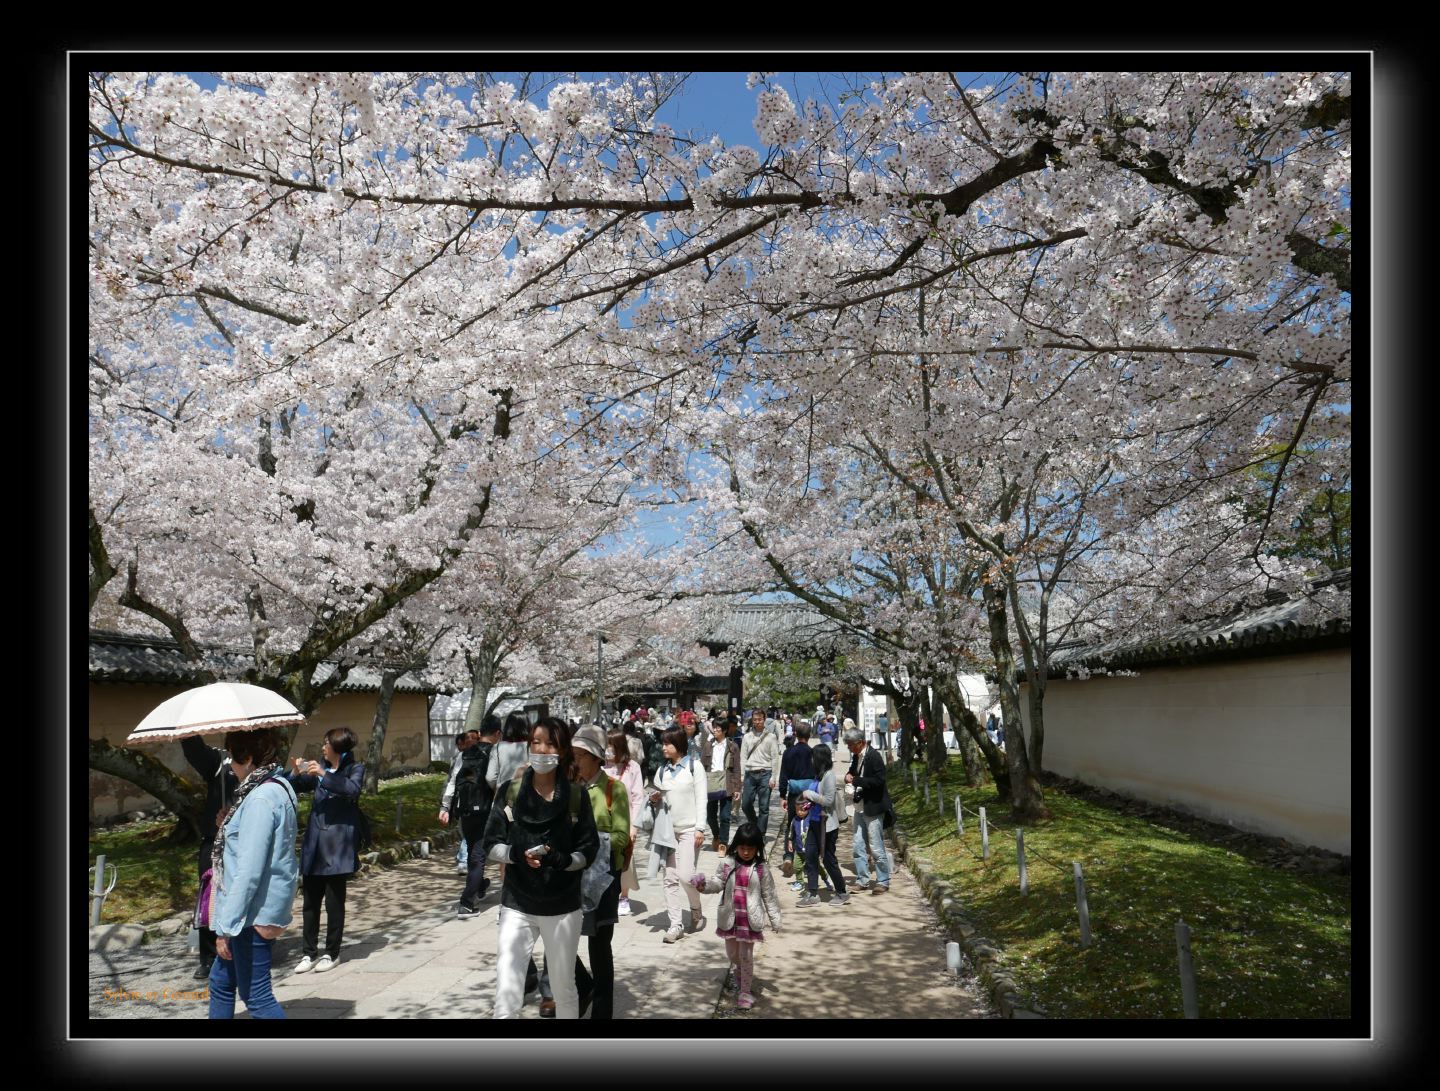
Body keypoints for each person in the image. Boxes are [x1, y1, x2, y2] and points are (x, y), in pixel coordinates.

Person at [483, 716, 599, 1019]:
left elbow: (588, 849)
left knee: (563, 989)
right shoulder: (510, 791)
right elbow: (491, 843)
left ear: (562, 750)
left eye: (550, 743)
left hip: (562, 907)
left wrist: (564, 861)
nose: (541, 749)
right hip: (517, 903)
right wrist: (516, 855)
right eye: (535, 741)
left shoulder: (575, 795)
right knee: (506, 993)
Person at [207, 727, 299, 1020]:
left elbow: (248, 870)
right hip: (256, 910)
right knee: (221, 983)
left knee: (257, 997)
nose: (230, 766)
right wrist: (230, 823)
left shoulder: (260, 798)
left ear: (247, 758)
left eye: (232, 758)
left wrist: (226, 927)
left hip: (251, 915)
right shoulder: (275, 786)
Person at [286, 726, 364, 974]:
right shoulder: (318, 766)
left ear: (336, 747)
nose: (322, 747)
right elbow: (297, 786)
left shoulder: (355, 769)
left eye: (325, 743)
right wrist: (296, 773)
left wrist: (323, 774)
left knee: (334, 903)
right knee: (310, 904)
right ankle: (308, 954)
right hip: (314, 845)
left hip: (338, 847)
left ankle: (332, 952)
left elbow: (352, 790)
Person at [565, 724, 631, 1019]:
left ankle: (602, 1012)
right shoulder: (568, 789)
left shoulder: (612, 789)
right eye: (573, 754)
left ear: (595, 758)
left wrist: (592, 844)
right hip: (571, 875)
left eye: (580, 755)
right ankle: (584, 984)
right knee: (561, 941)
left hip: (603, 880)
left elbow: (621, 835)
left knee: (599, 948)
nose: (575, 760)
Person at [690, 822, 783, 1010]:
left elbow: (769, 895)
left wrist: (775, 919)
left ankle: (745, 993)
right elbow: (717, 883)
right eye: (742, 848)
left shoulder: (761, 869)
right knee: (733, 955)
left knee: (746, 955)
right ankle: (740, 973)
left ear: (757, 848)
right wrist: (703, 886)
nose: (746, 852)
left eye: (750, 848)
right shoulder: (727, 863)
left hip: (750, 921)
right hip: (730, 919)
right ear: (736, 846)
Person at [180, 733, 240, 980]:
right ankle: (207, 956)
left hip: (243, 840)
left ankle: (240, 947)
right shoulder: (219, 761)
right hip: (214, 840)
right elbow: (195, 752)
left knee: (238, 894)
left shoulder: (261, 767)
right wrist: (188, 730)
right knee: (209, 897)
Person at [650, 726, 708, 943]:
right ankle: (676, 924)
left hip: (690, 830)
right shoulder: (661, 771)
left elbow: (701, 799)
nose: (664, 747)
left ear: (679, 745)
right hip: (668, 833)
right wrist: (653, 799)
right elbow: (655, 799)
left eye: (668, 743)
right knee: (670, 878)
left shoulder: (695, 767)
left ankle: (695, 907)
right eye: (663, 743)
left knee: (686, 876)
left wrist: (700, 828)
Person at [454, 715, 501, 917]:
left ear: (480, 733)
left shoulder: (464, 753)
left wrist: (445, 807)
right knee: (478, 856)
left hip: (465, 810)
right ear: (498, 733)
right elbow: (493, 779)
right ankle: (466, 902)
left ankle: (480, 885)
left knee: (474, 849)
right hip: (485, 809)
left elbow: (453, 781)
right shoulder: (495, 752)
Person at [796, 744, 849, 907]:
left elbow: (828, 800)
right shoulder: (818, 776)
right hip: (814, 822)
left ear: (820, 758)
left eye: (813, 757)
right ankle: (812, 893)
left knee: (828, 860)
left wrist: (809, 794)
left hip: (827, 826)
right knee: (811, 857)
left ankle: (842, 892)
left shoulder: (829, 776)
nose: (811, 760)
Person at [844, 726, 893, 894]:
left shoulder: (874, 756)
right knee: (858, 845)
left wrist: (856, 780)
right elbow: (852, 773)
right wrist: (848, 777)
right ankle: (862, 879)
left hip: (873, 806)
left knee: (876, 846)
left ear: (860, 742)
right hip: (859, 807)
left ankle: (883, 880)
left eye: (851, 745)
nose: (849, 748)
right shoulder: (857, 756)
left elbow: (879, 781)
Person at [604, 728, 644, 917]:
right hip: (603, 820)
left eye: (611, 747)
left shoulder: (632, 767)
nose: (608, 751)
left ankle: (623, 896)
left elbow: (637, 797)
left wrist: (634, 826)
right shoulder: (599, 765)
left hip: (625, 819)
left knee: (626, 859)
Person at [777, 720, 817, 885]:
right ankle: (807, 860)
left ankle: (788, 855)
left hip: (794, 793)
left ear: (795, 734)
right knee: (809, 825)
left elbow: (783, 776)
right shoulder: (813, 753)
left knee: (792, 824)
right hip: (809, 793)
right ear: (809, 735)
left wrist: (782, 795)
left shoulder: (788, 753)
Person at [700, 716, 742, 854]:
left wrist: (737, 788)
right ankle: (716, 836)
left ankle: (723, 843)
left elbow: (736, 768)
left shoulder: (732, 746)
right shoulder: (708, 745)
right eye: (714, 727)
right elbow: (702, 766)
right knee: (710, 816)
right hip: (710, 782)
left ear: (724, 730)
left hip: (727, 782)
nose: (715, 730)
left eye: (718, 728)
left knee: (725, 816)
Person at [739, 707, 780, 840]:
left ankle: (761, 833)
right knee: (745, 804)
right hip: (750, 773)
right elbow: (743, 756)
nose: (757, 722)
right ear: (752, 720)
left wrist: (774, 777)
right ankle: (755, 823)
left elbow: (775, 758)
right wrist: (742, 775)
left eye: (760, 719)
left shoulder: (771, 737)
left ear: (764, 720)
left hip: (765, 773)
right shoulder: (747, 737)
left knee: (764, 806)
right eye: (755, 719)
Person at [440, 730, 476, 873]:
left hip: (472, 802)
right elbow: (452, 781)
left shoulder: (484, 756)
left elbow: (452, 781)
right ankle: (463, 859)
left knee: (469, 834)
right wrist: (445, 805)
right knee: (467, 833)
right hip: (464, 802)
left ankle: (465, 859)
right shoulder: (460, 758)